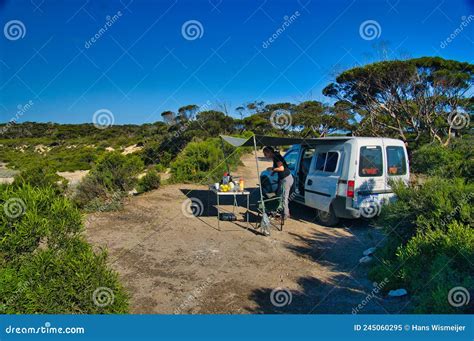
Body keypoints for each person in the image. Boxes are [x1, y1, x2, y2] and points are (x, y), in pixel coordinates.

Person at [262, 146, 294, 219]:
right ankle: (278, 211)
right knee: (279, 195)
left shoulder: (277, 157)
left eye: (265, 154)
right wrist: (272, 173)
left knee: (284, 197)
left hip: (286, 178)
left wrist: (272, 169)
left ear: (269, 152)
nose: (265, 156)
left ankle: (285, 215)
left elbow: (281, 168)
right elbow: (277, 168)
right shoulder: (275, 156)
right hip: (283, 178)